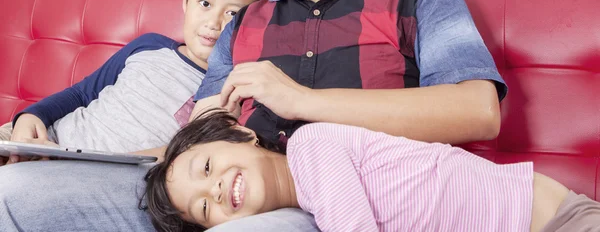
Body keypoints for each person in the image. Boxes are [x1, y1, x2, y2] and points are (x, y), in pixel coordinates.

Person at [0, 0, 506, 232]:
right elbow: (202, 131)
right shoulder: (244, 24)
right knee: (15, 193)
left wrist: (303, 101)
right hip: (220, 195)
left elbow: (477, 110)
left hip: (338, 201)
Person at [0, 0, 274, 165]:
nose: (214, 23)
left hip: (83, 167)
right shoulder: (150, 46)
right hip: (39, 135)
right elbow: (80, 95)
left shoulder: (228, 93)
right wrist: (30, 116)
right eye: (205, 4)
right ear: (186, 1)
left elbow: (180, 157)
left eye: (232, 14)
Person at [145, 109, 600, 232]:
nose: (217, 190)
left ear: (241, 134)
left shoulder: (310, 146)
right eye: (204, 208)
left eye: (207, 166)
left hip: (551, 220)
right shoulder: (311, 210)